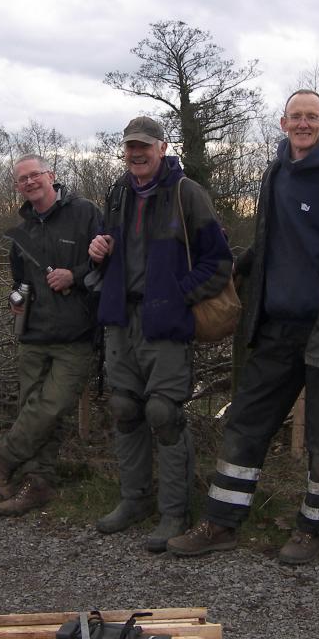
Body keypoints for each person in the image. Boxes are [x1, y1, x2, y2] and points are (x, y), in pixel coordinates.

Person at [167, 90, 319, 564]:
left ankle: (315, 528)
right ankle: (222, 522)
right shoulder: (274, 175)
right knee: (246, 422)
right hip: (275, 328)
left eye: (312, 117)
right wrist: (238, 267)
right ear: (282, 123)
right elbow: (273, 240)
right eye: (296, 117)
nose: (304, 124)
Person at [88, 116, 233, 552]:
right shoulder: (117, 193)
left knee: (163, 414)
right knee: (124, 407)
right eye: (131, 146)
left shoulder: (188, 194)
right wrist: (98, 253)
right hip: (122, 318)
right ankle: (133, 500)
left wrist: (177, 295)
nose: (137, 153)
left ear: (163, 147)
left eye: (145, 146)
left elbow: (219, 261)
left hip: (165, 323)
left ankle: (174, 513)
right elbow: (111, 250)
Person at [0, 155, 102, 516]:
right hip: (34, 333)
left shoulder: (85, 213)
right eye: (22, 179)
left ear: (51, 176)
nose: (29, 182)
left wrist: (75, 276)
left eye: (35, 175)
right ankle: (38, 483)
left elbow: (107, 264)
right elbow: (18, 280)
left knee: (51, 406)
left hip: (76, 332)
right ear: (17, 187)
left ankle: (5, 456)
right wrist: (16, 298)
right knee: (33, 409)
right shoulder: (22, 233)